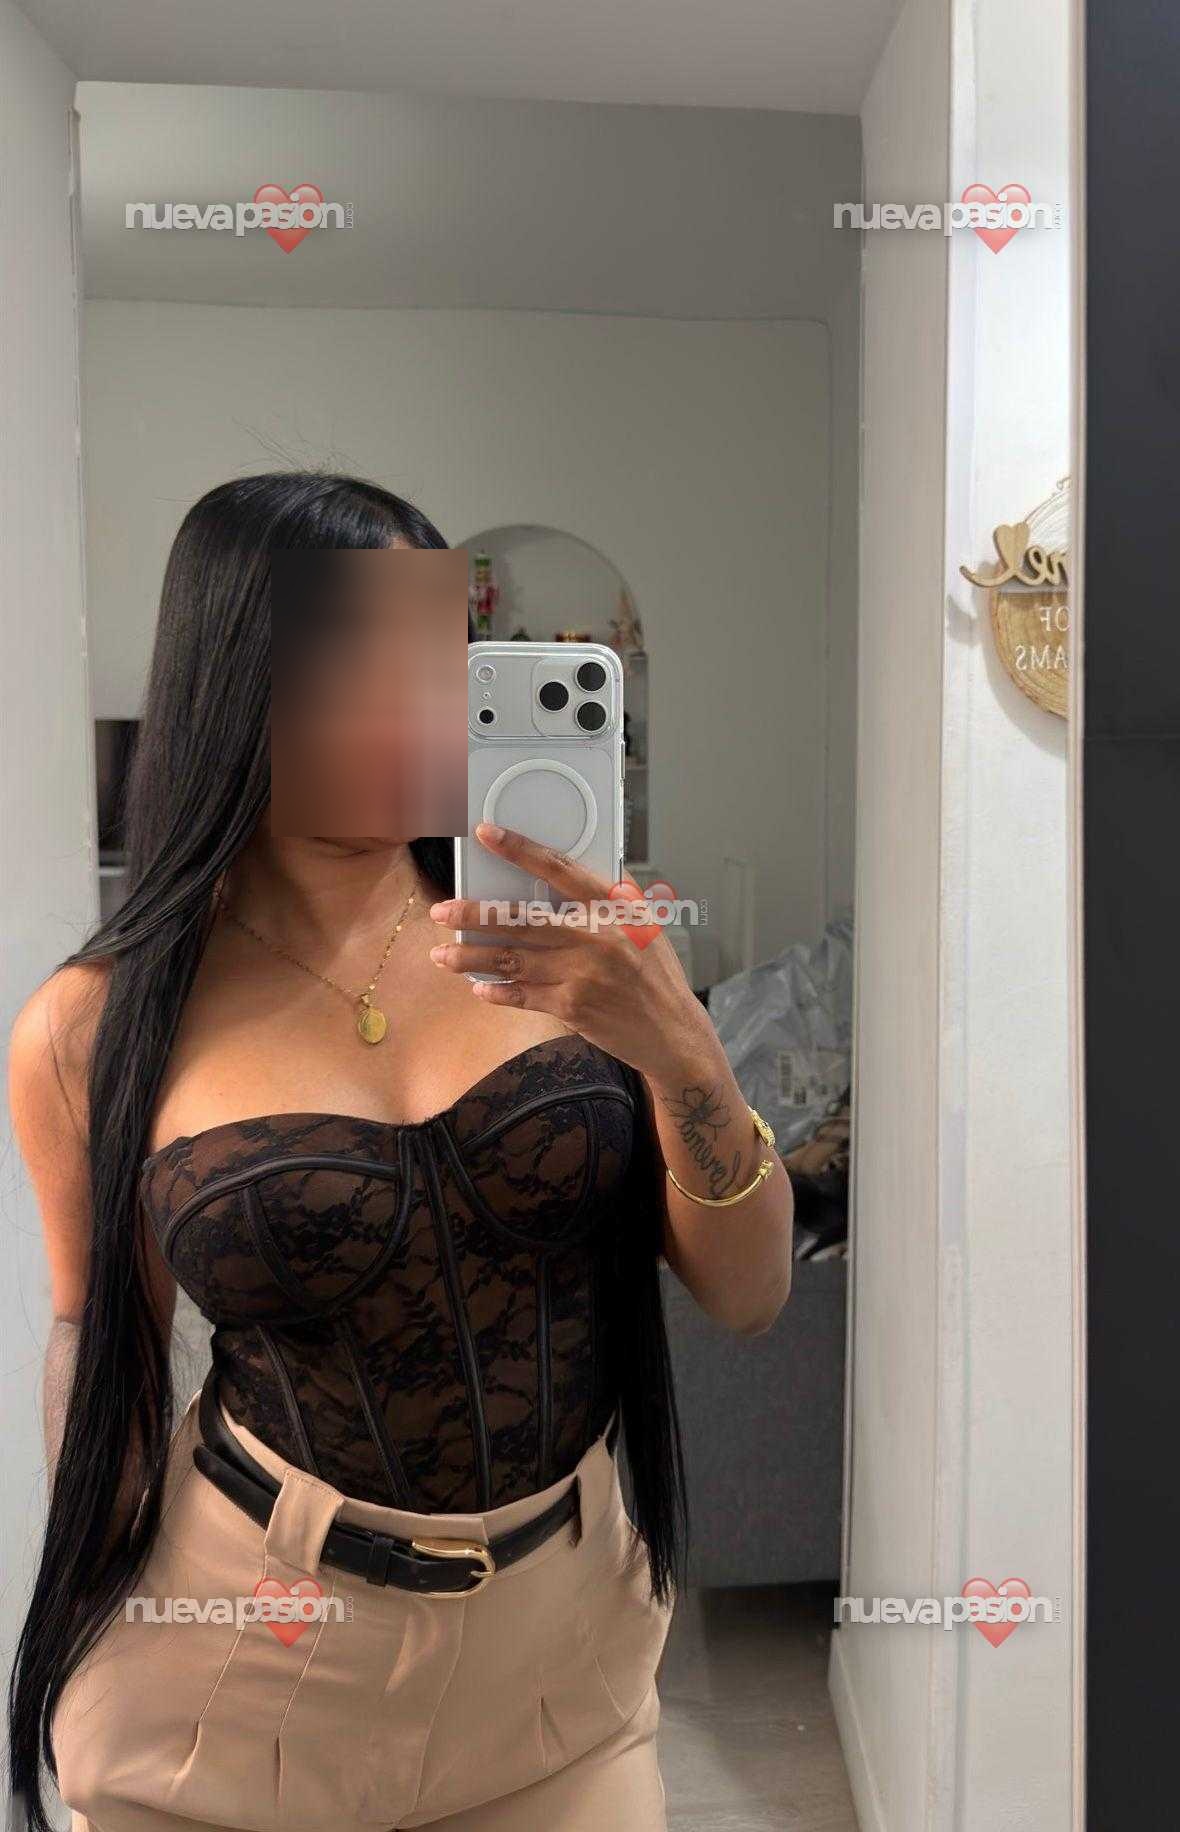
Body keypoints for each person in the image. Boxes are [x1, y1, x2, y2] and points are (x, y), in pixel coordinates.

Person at [7, 472, 794, 1832]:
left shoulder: (573, 951)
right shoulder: (95, 1027)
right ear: (236, 676)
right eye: (350, 657)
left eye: (433, 657)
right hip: (246, 1650)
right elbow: (100, 1345)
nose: (406, 702)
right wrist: (93, 1608)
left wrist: (681, 1048)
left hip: (563, 1667)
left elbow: (752, 1290)